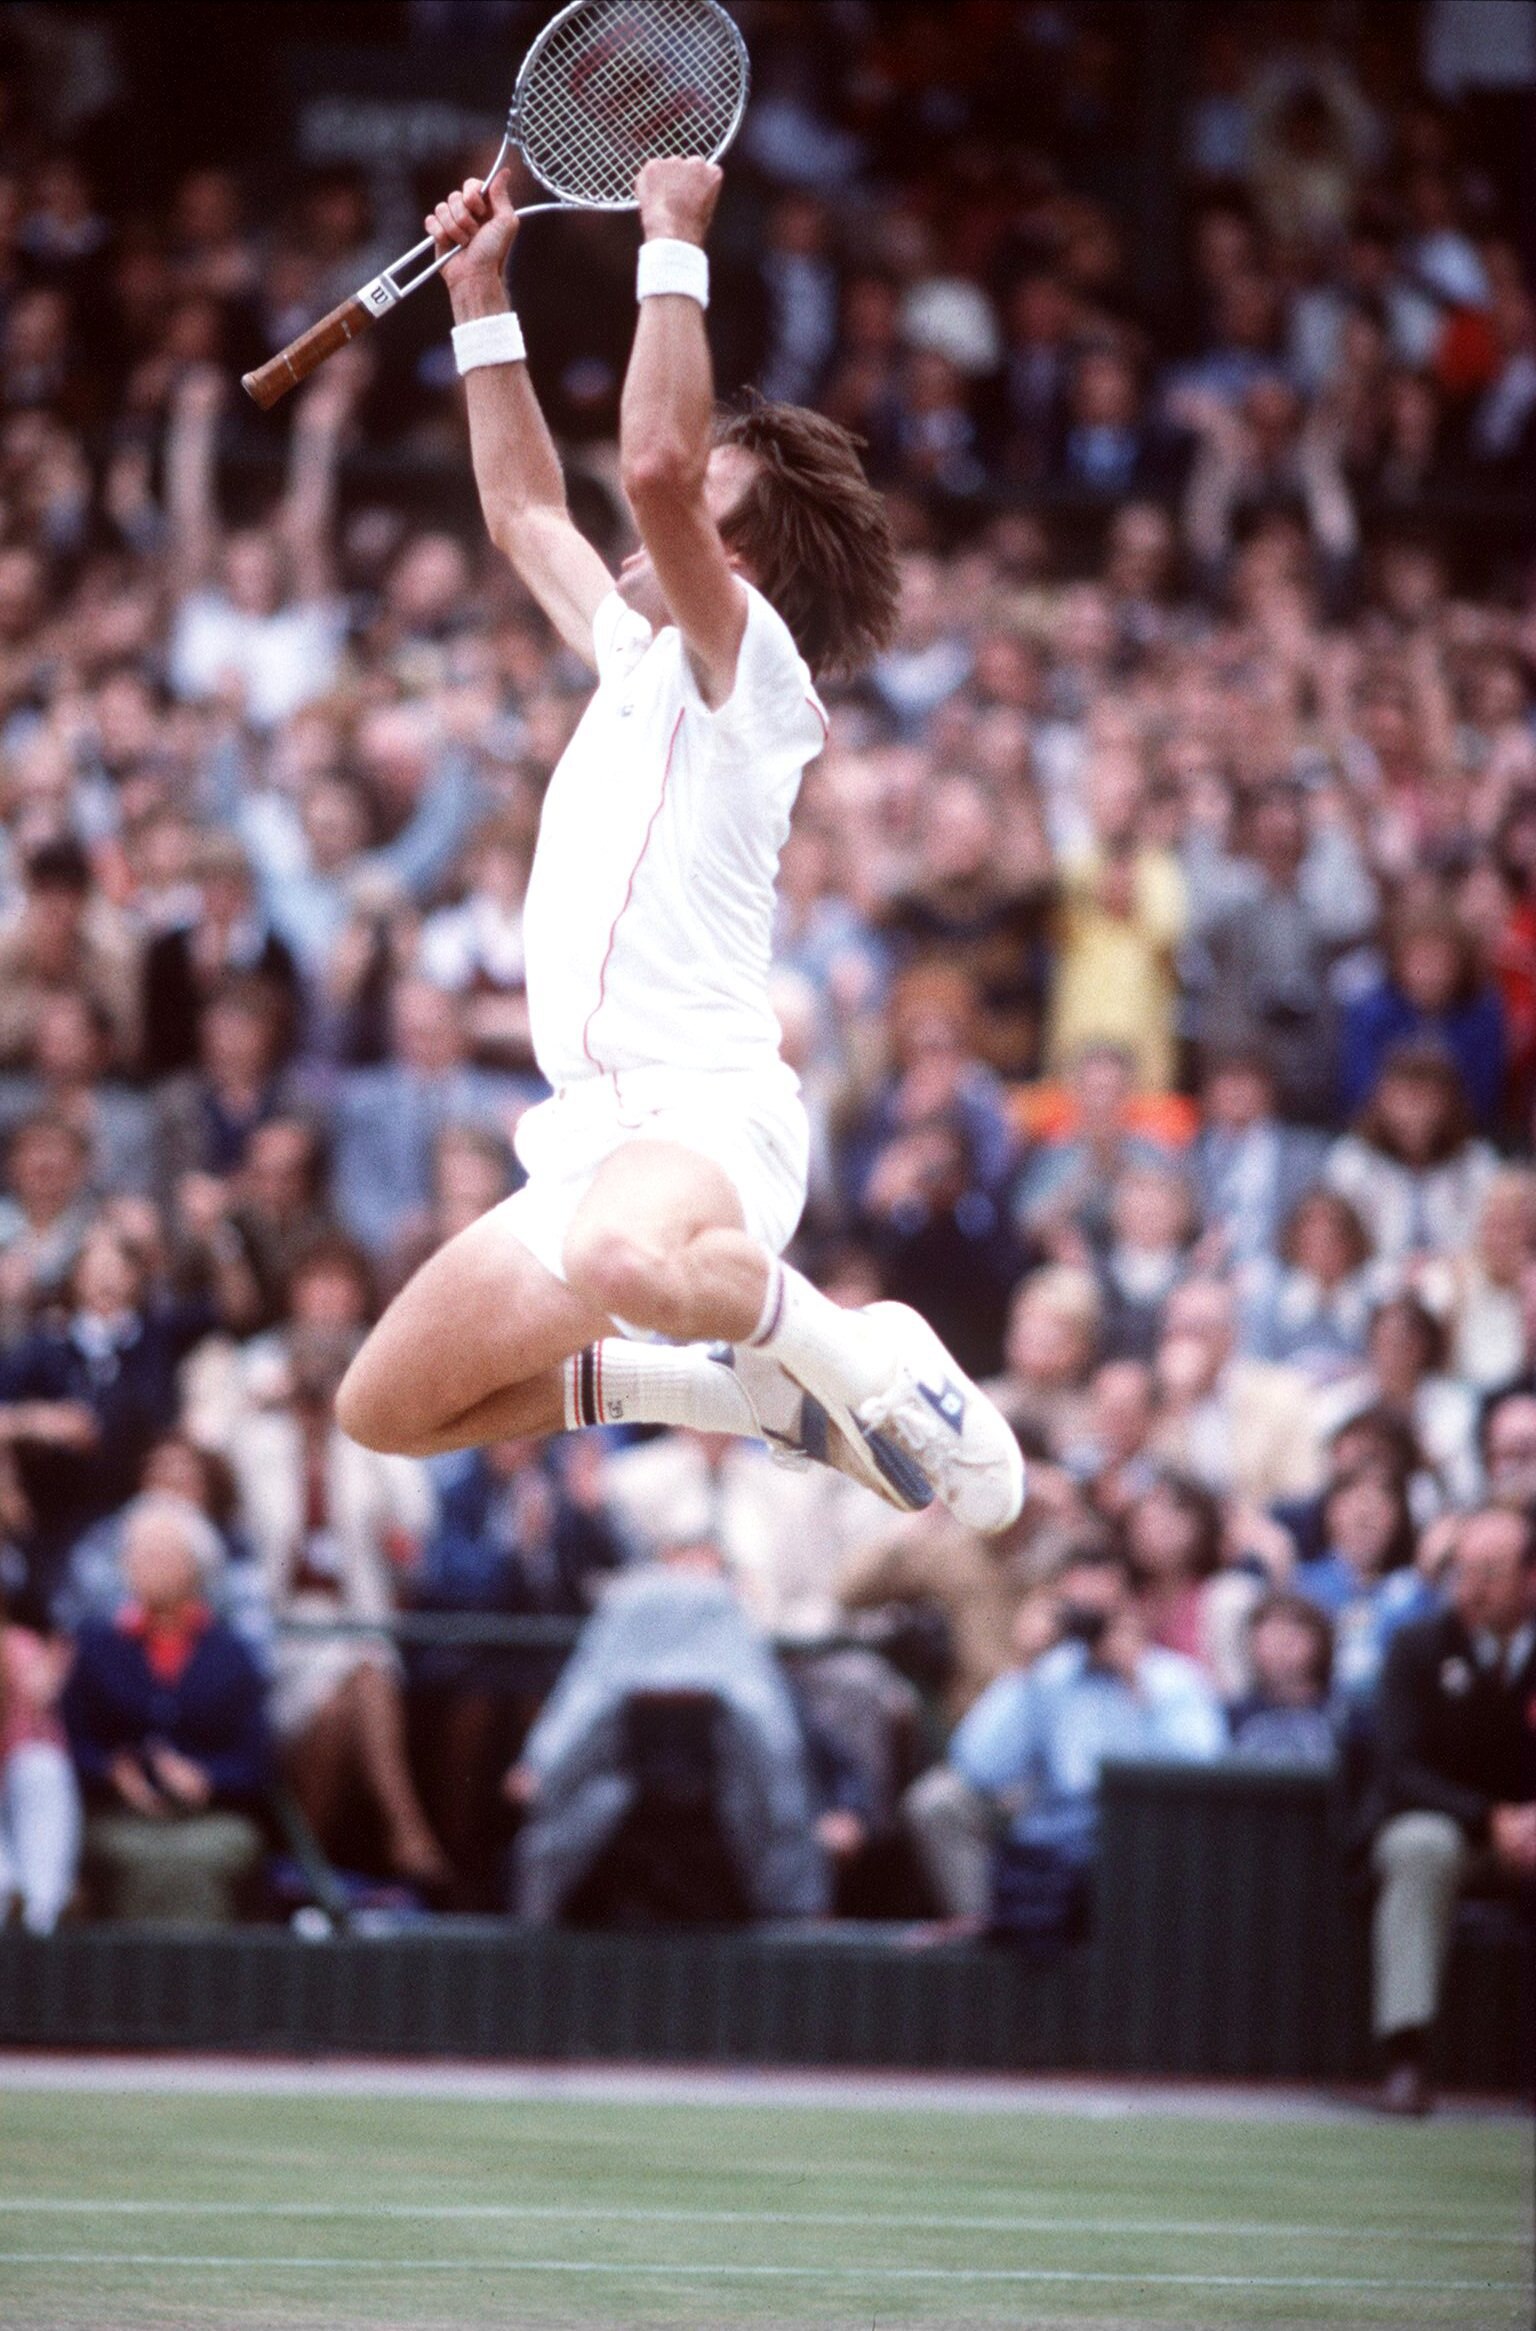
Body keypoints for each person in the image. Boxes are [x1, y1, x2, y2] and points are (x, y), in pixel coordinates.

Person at [337, 165, 1023, 1540]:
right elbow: (529, 513)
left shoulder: (755, 668)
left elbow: (648, 464)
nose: (661, 495)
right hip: (592, 1131)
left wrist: (673, 247)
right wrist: (481, 300)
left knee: (621, 1253)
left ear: (743, 563)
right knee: (387, 1405)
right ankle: (741, 1394)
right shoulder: (640, 656)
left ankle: (858, 1351)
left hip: (706, 1117)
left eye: (706, 493)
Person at [1364, 1505, 1536, 2115]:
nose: (1470, 1589)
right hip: (1452, 1829)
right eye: (1460, 1571)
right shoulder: (1418, 1645)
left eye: (1488, 1572)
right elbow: (1399, 1768)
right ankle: (1405, 2058)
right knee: (1420, 1845)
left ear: (1530, 1578)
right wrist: (1490, 1815)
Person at [61, 1495, 271, 1924]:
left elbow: (258, 1759)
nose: (142, 1564)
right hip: (118, 1815)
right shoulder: (97, 1648)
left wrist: (207, 1778)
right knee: (132, 1856)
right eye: (135, 1554)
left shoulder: (231, 1655)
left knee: (200, 1858)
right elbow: (73, 1740)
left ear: (195, 1566)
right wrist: (113, 1771)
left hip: (209, 1818)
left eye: (158, 1554)